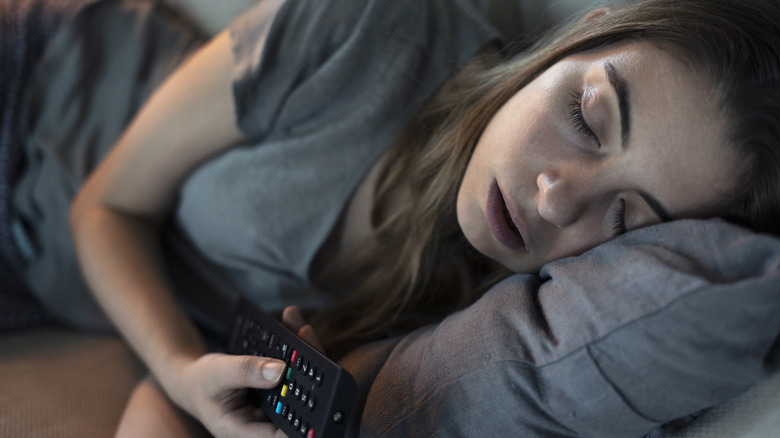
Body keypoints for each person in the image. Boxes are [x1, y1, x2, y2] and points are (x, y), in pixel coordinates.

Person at [2, 0, 779, 436]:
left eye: (624, 220)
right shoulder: (373, 27)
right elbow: (101, 204)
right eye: (586, 114)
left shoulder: (479, 317)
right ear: (582, 38)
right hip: (42, 98)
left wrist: (191, 384)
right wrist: (177, 367)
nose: (555, 196)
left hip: (36, 274)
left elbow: (170, 404)